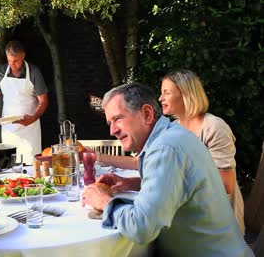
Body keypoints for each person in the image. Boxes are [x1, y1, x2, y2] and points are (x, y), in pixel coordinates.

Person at [82, 83, 252, 256]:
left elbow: (141, 229)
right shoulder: (172, 134)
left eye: (118, 119)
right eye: (110, 122)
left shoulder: (165, 148)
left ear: (147, 114)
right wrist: (132, 183)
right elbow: (181, 184)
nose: (113, 131)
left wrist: (104, 202)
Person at [159, 69, 245, 233]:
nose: (160, 98)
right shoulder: (174, 129)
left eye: (166, 92)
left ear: (186, 94)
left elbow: (226, 186)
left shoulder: (214, 127)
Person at [0, 40, 48, 164]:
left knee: (31, 165)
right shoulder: (1, 71)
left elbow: (44, 101)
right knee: (9, 164)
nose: (12, 64)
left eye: (16, 61)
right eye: (9, 61)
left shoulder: (34, 72)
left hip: (29, 128)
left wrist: (33, 118)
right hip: (8, 128)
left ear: (23, 56)